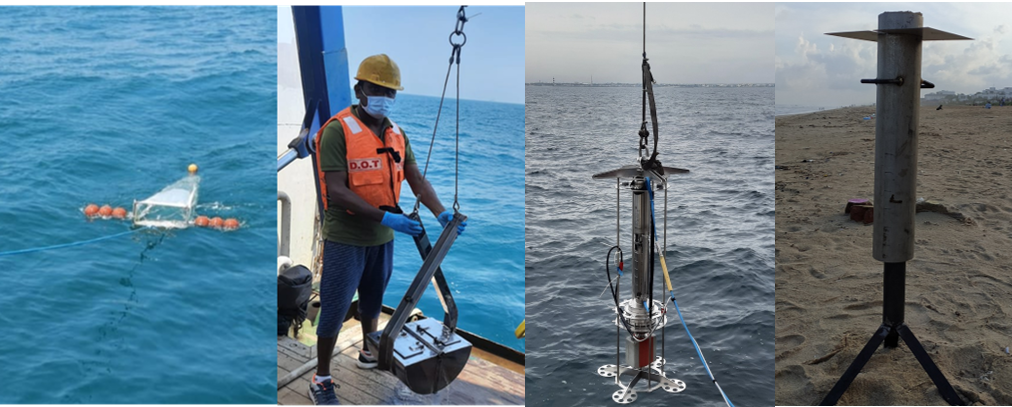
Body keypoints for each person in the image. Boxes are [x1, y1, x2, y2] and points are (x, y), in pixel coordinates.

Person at [307, 54, 467, 406]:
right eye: (376, 88)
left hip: (382, 238)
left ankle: (370, 351)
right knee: (334, 309)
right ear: (359, 89)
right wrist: (386, 218)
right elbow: (336, 189)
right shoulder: (337, 130)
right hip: (346, 236)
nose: (383, 96)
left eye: (389, 91)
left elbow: (416, 179)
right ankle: (321, 378)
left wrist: (440, 211)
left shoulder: (396, 134)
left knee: (373, 302)